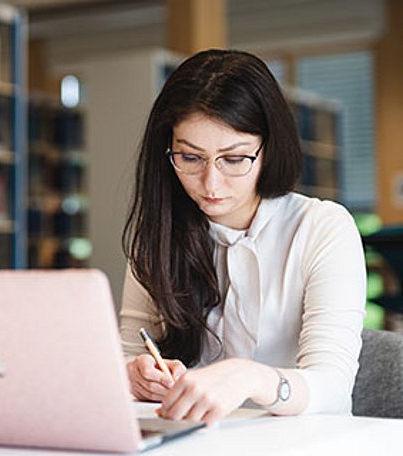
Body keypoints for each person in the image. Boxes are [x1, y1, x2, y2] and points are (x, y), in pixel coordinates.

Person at [120, 49, 366, 426]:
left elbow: (333, 389)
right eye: (189, 158)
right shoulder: (158, 234)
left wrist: (250, 377)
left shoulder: (323, 228)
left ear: (269, 148)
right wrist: (133, 375)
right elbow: (128, 357)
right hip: (194, 441)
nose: (210, 183)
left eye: (234, 159)